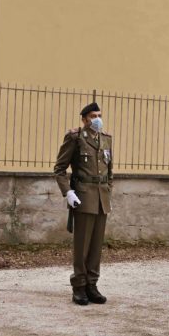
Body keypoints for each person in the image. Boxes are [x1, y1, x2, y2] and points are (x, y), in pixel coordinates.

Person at [53, 102, 113, 306]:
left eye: (99, 115)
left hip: (102, 197)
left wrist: (108, 190)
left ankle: (92, 284)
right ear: (84, 119)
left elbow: (109, 171)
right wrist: (68, 192)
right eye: (93, 116)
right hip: (83, 196)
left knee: (96, 245)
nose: (97, 119)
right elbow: (59, 169)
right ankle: (79, 286)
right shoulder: (75, 137)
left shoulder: (106, 139)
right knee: (82, 245)